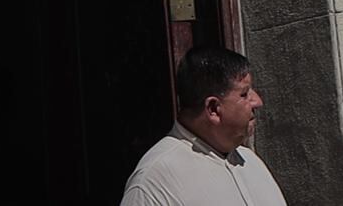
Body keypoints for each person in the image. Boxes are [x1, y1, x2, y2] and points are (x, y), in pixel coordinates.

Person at [120, 42, 283, 204]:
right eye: (244, 94)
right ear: (213, 109)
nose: (258, 102)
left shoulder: (250, 161)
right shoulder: (154, 182)